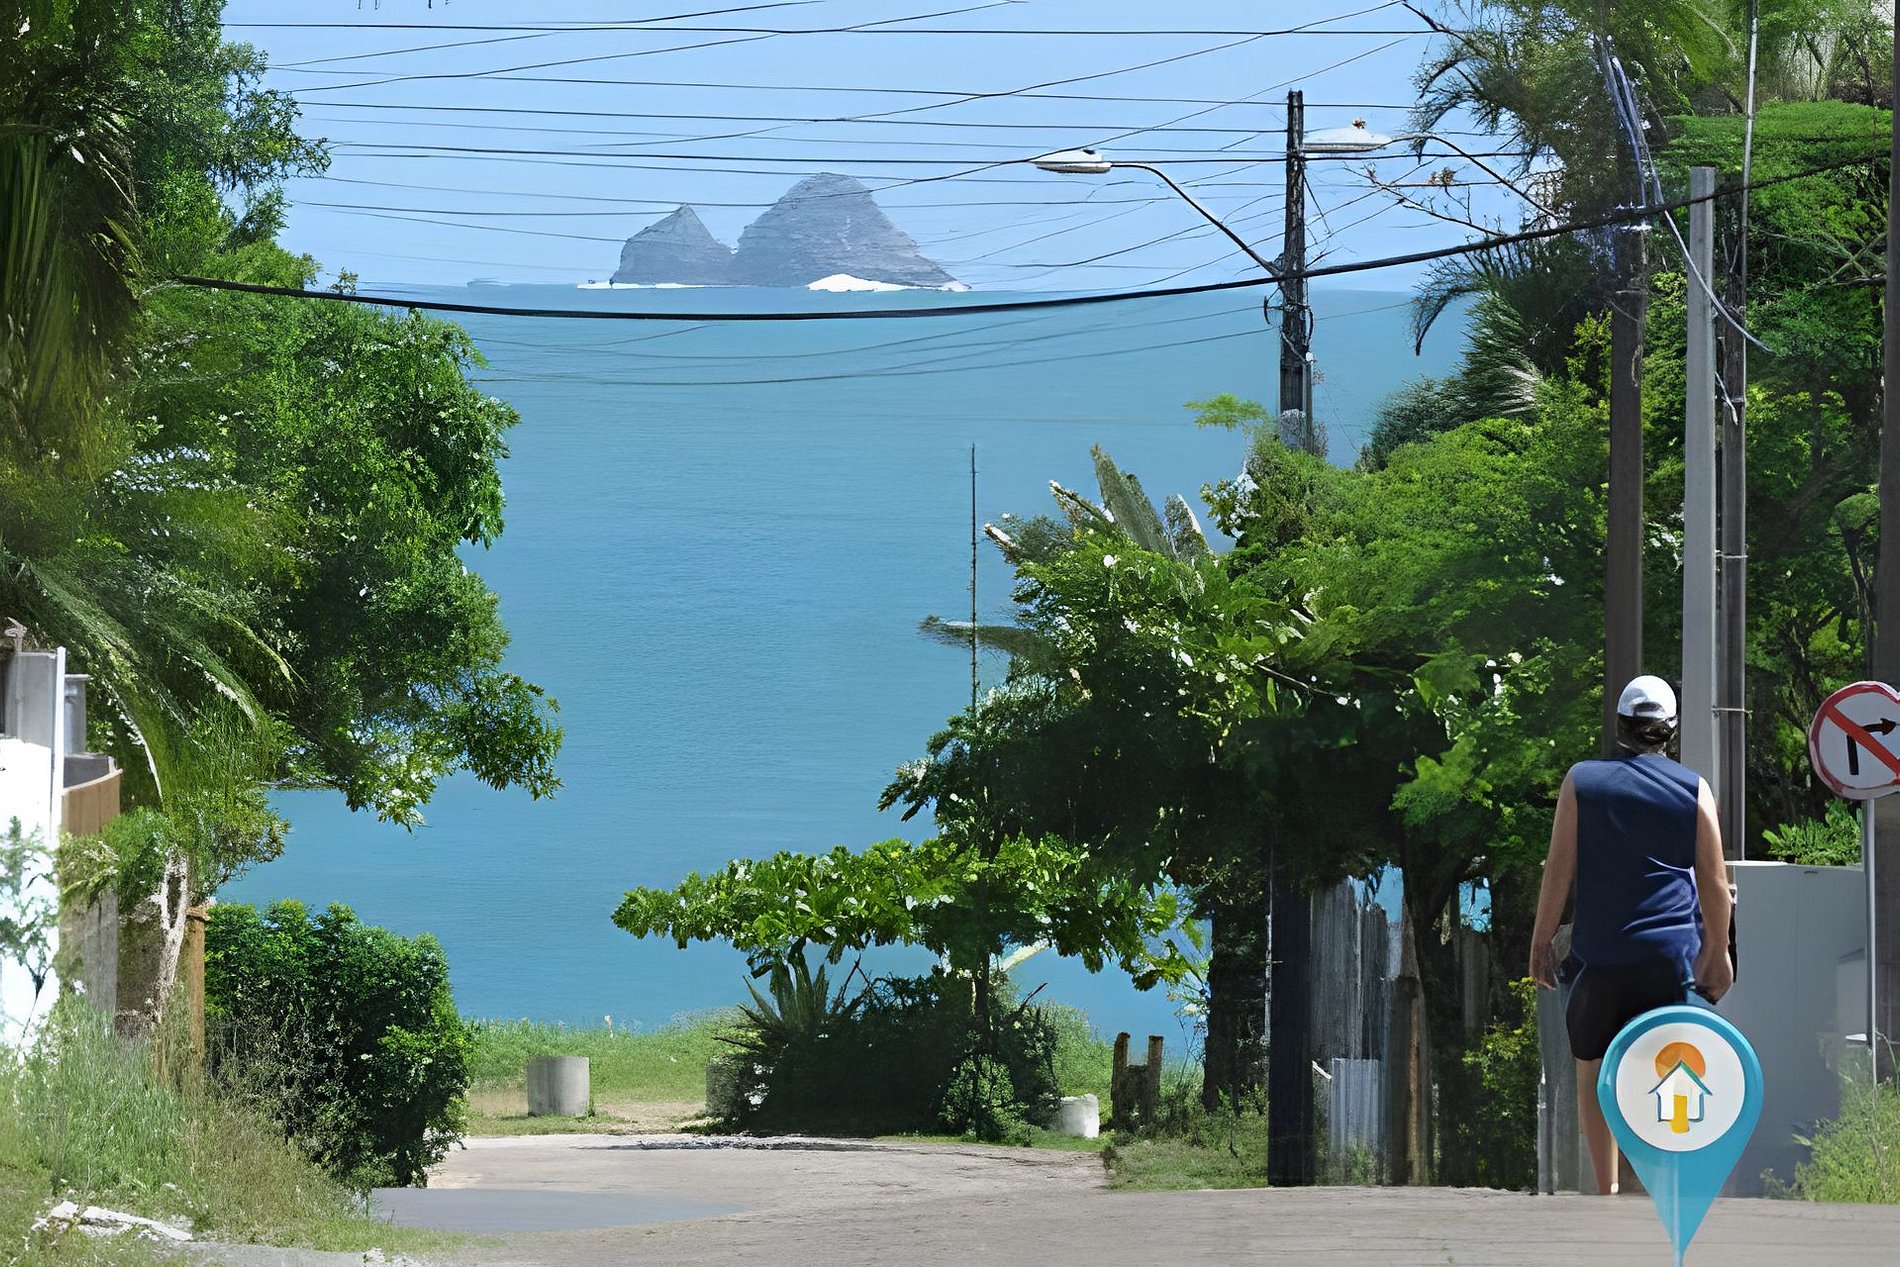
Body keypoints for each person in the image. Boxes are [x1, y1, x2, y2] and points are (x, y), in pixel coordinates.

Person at [1529, 674, 1734, 1195]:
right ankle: (1666, 1184)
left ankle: (1607, 1188)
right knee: (1672, 1065)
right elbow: (1715, 883)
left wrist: (1541, 941)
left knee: (1592, 1065)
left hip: (1601, 958)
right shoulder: (1693, 790)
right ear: (1670, 729)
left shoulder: (1582, 782)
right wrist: (1718, 952)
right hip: (1670, 960)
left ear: (1619, 725)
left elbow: (1558, 869)